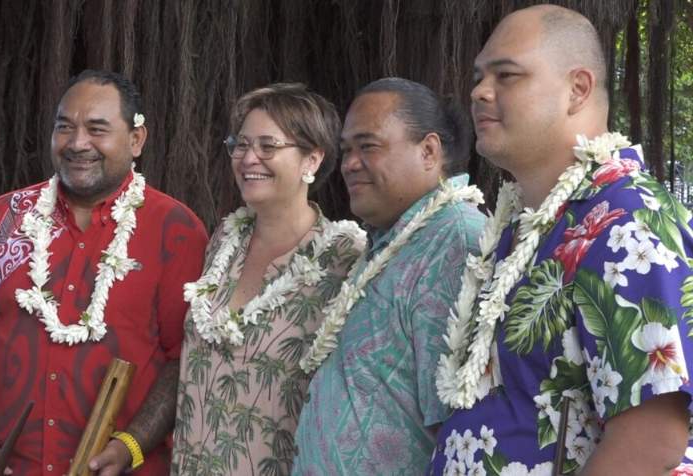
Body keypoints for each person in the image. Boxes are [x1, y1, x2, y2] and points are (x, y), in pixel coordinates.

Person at [431, 5, 693, 475]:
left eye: (506, 75)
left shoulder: (625, 220)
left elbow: (653, 438)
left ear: (577, 89)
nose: (478, 92)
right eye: (478, 76)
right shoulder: (527, 225)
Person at [0, 70, 208, 476]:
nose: (78, 143)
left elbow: (184, 358)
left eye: (97, 129)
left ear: (136, 140)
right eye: (64, 127)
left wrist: (131, 445)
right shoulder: (3, 220)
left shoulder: (176, 231)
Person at [293, 77, 485, 475]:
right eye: (346, 150)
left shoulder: (454, 240)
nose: (348, 163)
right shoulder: (392, 239)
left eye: (368, 146)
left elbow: (453, 424)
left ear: (429, 151)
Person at [171, 83, 365, 475]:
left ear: (312, 159)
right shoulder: (225, 239)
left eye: (268, 146)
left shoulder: (345, 258)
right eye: (240, 145)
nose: (248, 158)